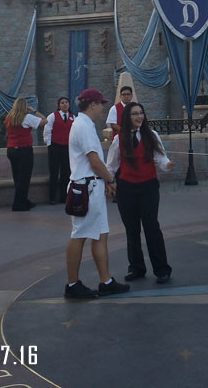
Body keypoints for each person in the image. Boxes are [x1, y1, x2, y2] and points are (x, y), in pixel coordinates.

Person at [64, 88, 129, 300]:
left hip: (91, 185)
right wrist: (111, 180)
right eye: (101, 104)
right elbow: (94, 161)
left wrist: (104, 181)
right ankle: (72, 284)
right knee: (80, 234)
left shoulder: (84, 124)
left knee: (100, 233)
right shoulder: (84, 126)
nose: (103, 108)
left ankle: (106, 281)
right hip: (86, 188)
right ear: (92, 104)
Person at [105, 102, 173, 284]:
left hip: (148, 187)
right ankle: (136, 267)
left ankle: (162, 269)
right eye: (135, 114)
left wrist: (167, 165)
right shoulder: (119, 139)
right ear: (128, 117)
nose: (139, 117)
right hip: (127, 188)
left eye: (141, 113)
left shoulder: (152, 135)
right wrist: (108, 182)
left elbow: (160, 157)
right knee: (132, 230)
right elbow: (111, 165)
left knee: (151, 227)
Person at [5, 98, 45, 211]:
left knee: (17, 177)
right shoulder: (27, 117)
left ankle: (23, 200)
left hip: (11, 149)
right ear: (25, 106)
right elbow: (45, 121)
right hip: (24, 150)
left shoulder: (9, 118)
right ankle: (18, 204)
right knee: (25, 178)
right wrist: (34, 110)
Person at [43, 96, 74, 205]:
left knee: (66, 172)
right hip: (55, 147)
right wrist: (49, 144)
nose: (65, 104)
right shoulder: (53, 116)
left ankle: (64, 197)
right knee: (54, 172)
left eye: (66, 102)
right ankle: (52, 197)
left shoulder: (73, 117)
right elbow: (47, 130)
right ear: (59, 105)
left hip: (67, 148)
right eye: (62, 102)